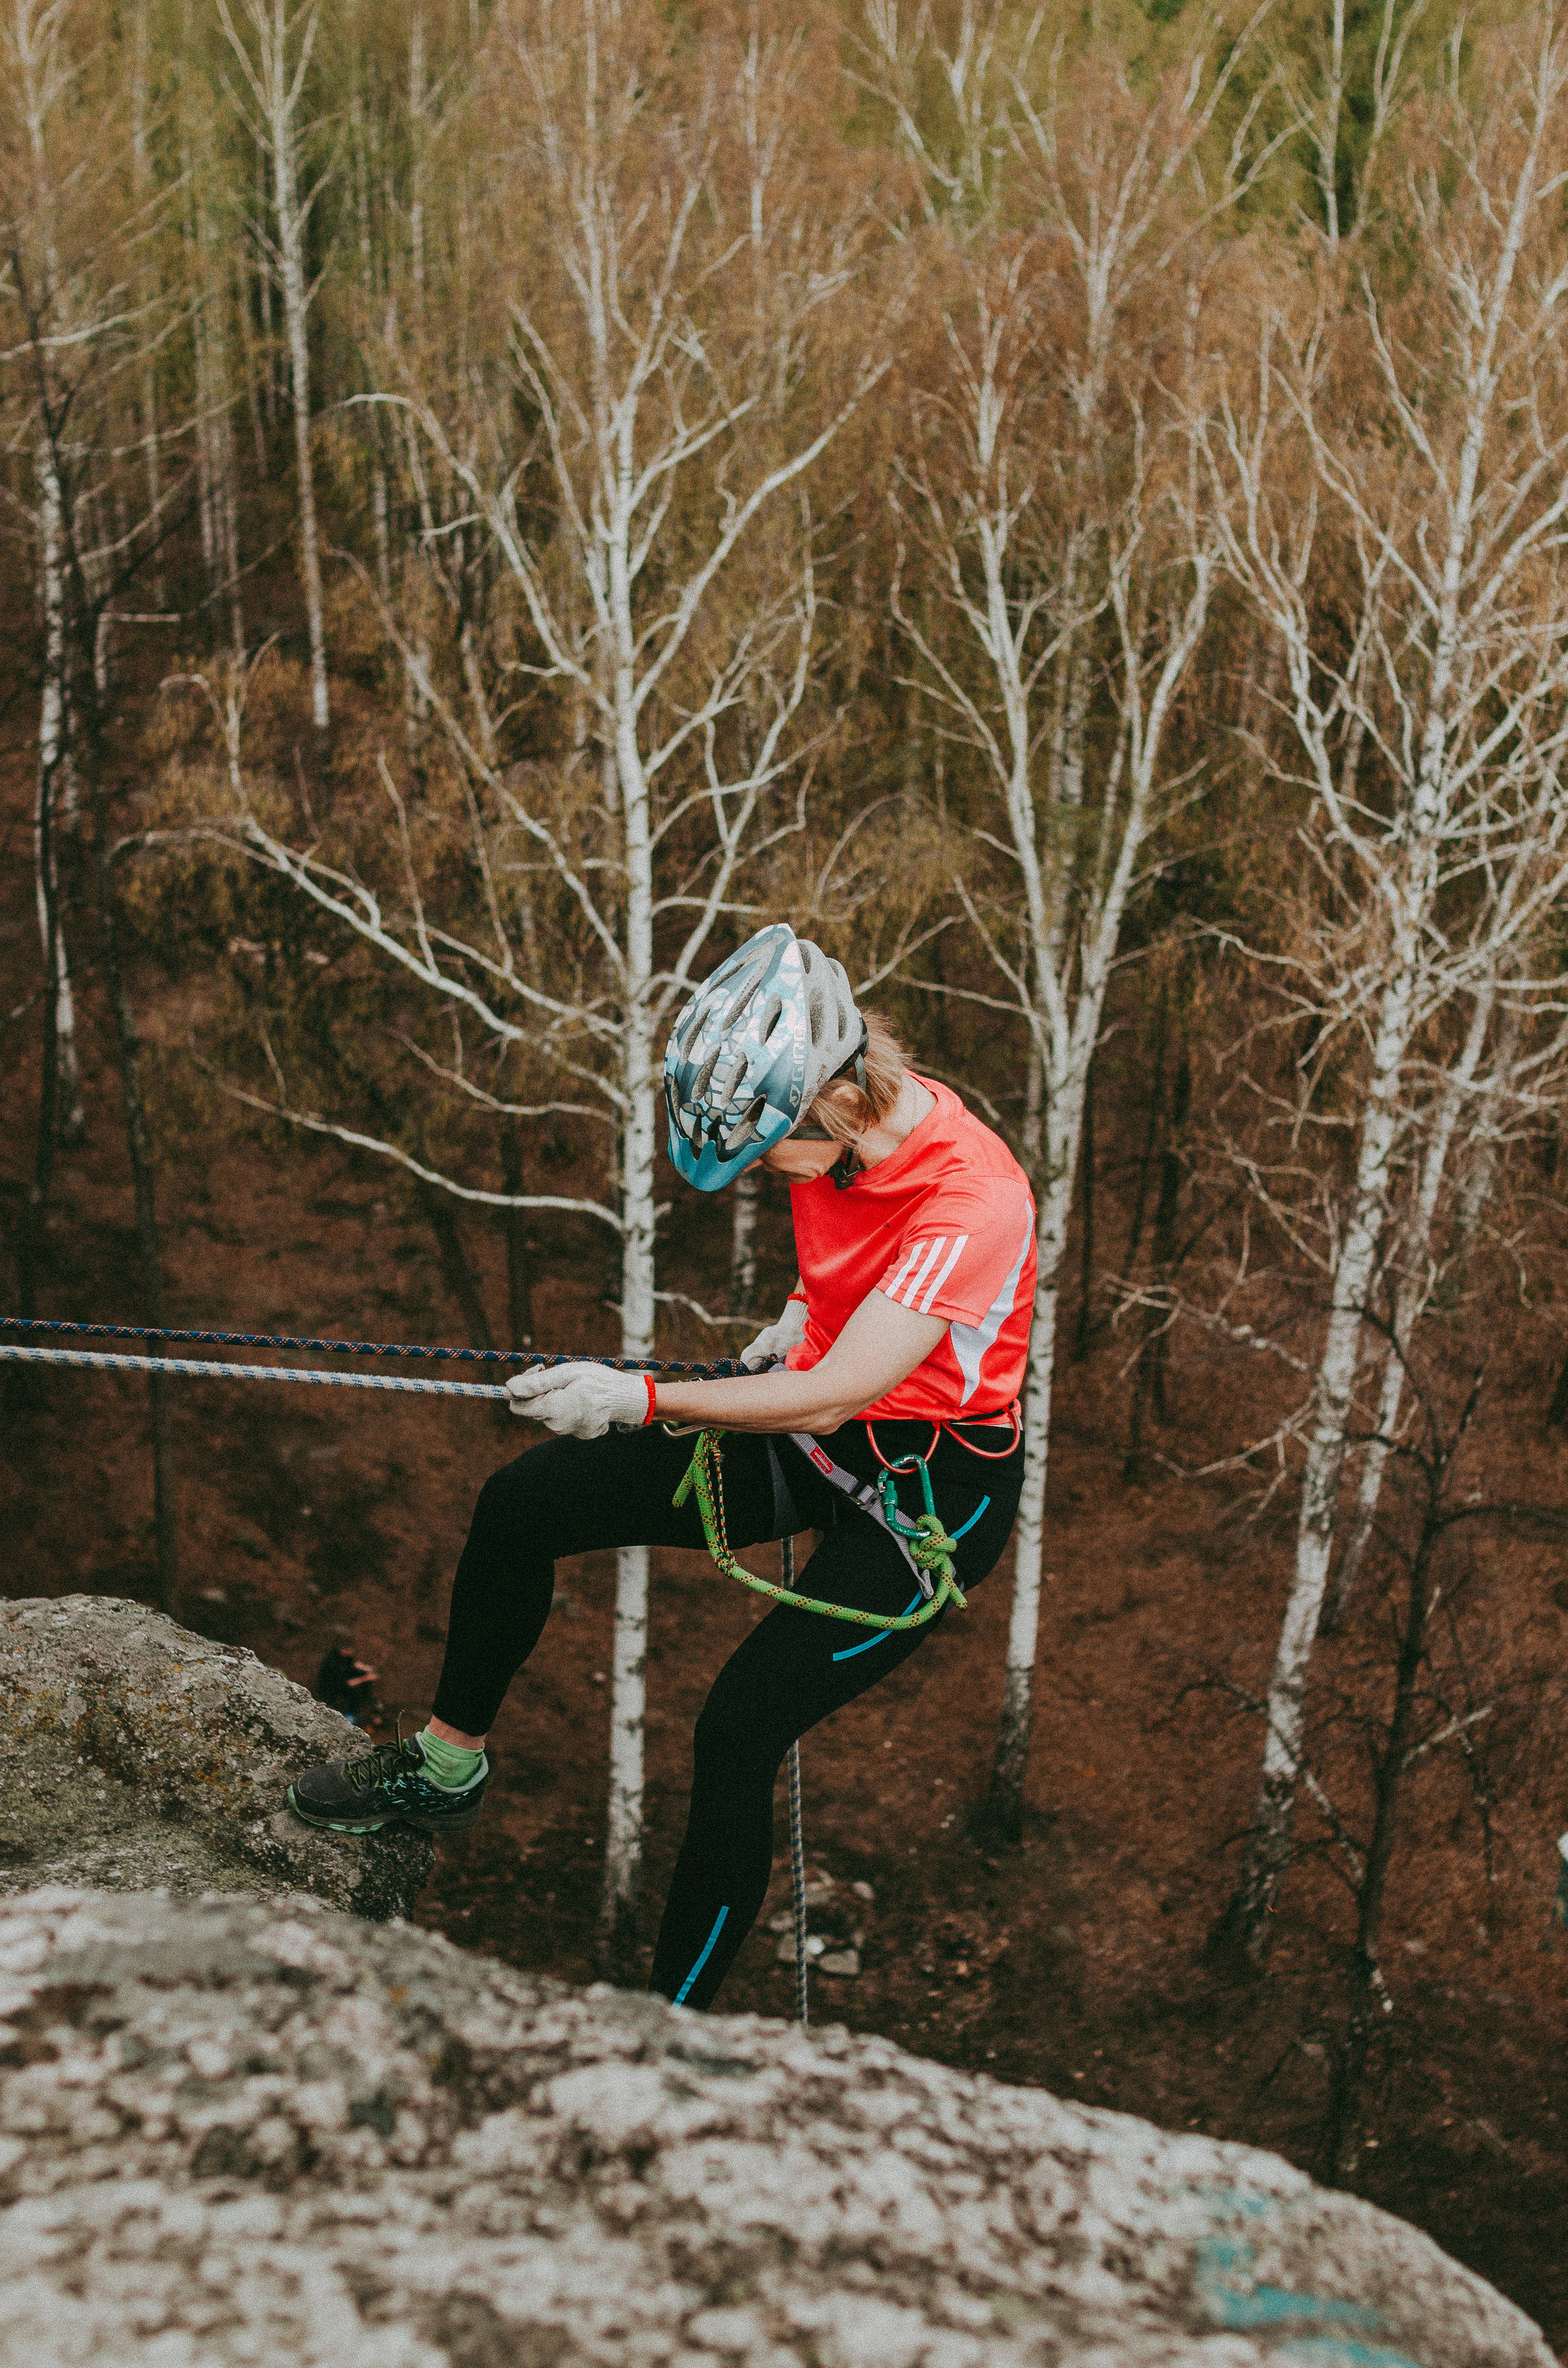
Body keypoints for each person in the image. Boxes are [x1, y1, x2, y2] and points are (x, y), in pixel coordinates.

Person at [287, 923, 1036, 2011]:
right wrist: (796, 1308)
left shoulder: (974, 1199)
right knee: (524, 1500)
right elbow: (845, 1279)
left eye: (760, 1151)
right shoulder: (846, 1126)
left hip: (928, 1501)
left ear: (830, 1103)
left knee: (738, 1728)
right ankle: (446, 1767)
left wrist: (636, 1395)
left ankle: (663, 2034)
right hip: (827, 1437)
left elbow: (841, 1387)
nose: (754, 1176)